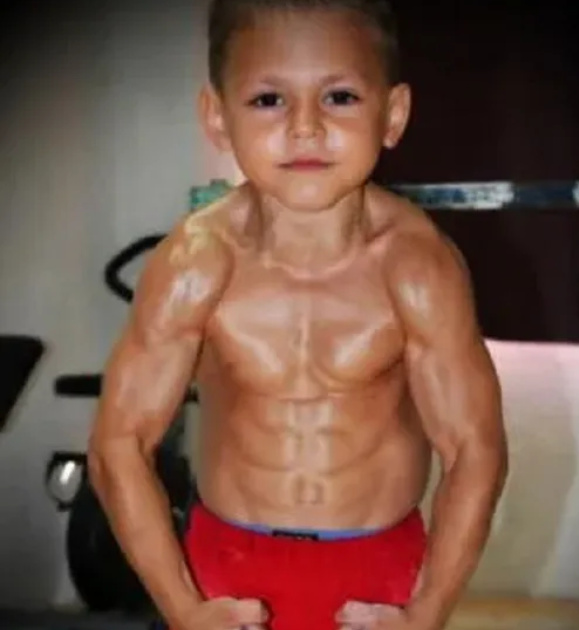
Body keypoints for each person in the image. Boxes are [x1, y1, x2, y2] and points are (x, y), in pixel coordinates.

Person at [85, 2, 508, 630]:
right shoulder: (195, 264)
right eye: (267, 101)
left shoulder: (418, 268)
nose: (305, 128)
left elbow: (476, 449)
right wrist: (181, 610)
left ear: (392, 115)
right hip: (225, 570)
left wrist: (426, 614)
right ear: (217, 118)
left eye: (338, 97)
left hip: (377, 578)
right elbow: (119, 442)